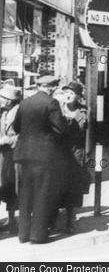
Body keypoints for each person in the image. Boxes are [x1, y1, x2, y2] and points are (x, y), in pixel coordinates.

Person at [12, 75, 69, 244]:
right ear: (50, 87)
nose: (54, 89)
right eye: (54, 86)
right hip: (44, 155)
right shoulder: (51, 103)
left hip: (24, 155)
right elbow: (61, 129)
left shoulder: (25, 102)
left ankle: (23, 234)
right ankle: (38, 235)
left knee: (25, 194)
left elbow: (16, 127)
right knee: (42, 194)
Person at [55, 81, 89, 234]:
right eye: (66, 92)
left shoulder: (84, 113)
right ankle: (53, 219)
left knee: (72, 189)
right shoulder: (56, 111)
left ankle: (70, 220)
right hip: (58, 153)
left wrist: (87, 155)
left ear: (78, 97)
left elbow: (89, 137)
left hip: (76, 154)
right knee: (55, 187)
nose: (68, 95)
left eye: (72, 93)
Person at [0, 84, 21, 233]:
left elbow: (23, 134)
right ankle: (11, 219)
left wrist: (6, 140)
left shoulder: (17, 112)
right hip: (4, 153)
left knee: (12, 185)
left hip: (14, 153)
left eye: (2, 98)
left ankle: (13, 219)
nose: (0, 99)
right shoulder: (4, 112)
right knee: (6, 185)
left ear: (9, 100)